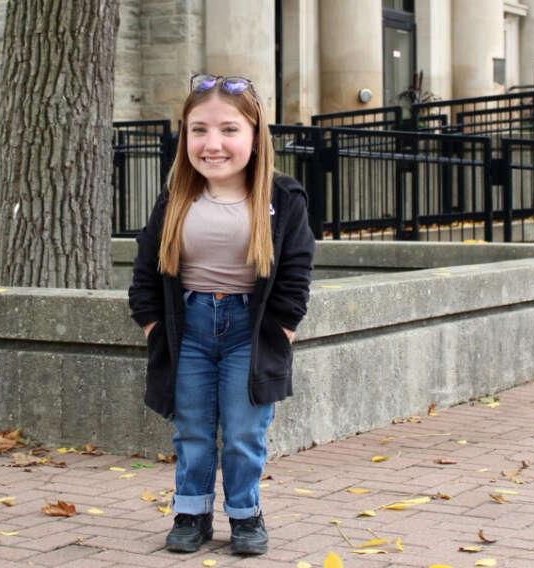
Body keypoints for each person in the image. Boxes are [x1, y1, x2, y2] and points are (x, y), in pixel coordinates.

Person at [128, 74, 315, 556]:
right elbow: (146, 273)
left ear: (255, 136)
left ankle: (245, 515)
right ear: (185, 136)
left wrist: (283, 331)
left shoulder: (283, 199)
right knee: (191, 428)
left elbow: (296, 273)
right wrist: (155, 330)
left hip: (249, 333)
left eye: (229, 130)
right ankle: (191, 512)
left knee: (244, 432)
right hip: (187, 329)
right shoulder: (175, 199)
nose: (213, 144)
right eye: (199, 130)